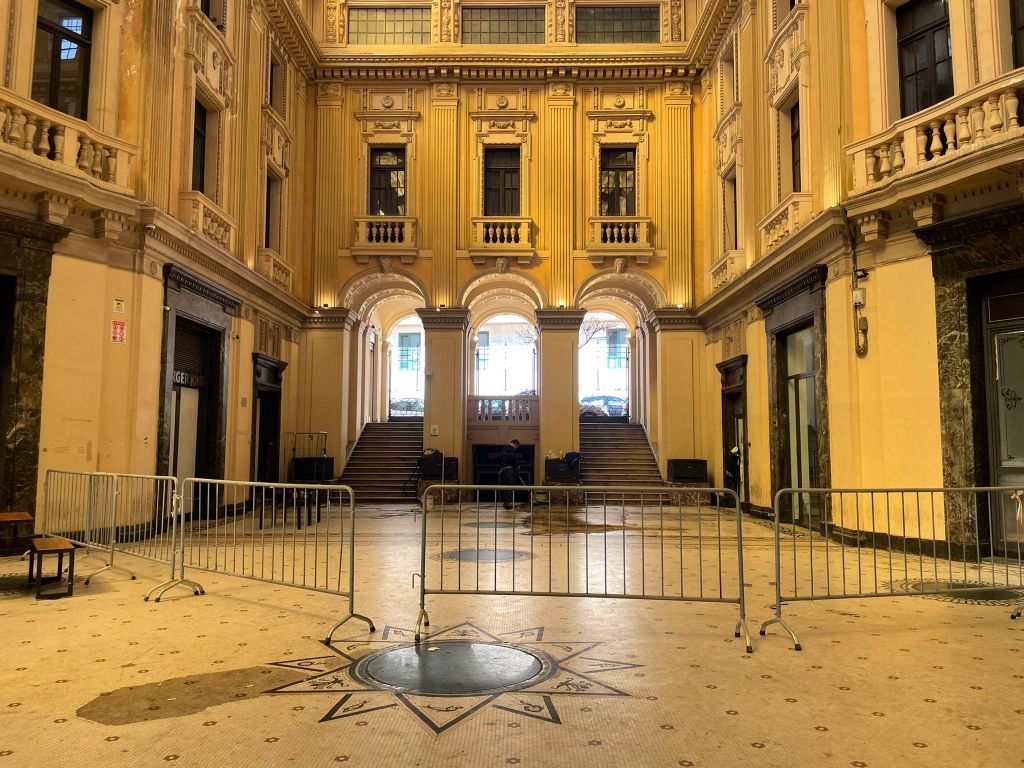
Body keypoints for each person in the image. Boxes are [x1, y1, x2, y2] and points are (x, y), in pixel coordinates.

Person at [498, 439, 522, 509]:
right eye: (516, 447)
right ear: (515, 444)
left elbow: (501, 459)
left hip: (503, 470)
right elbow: (512, 459)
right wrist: (517, 466)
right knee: (510, 487)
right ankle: (509, 503)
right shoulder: (512, 449)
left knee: (505, 487)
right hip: (509, 470)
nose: (516, 448)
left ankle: (505, 503)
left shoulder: (504, 448)